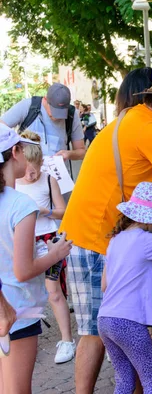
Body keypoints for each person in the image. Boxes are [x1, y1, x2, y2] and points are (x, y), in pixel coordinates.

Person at [59, 73, 152, 393]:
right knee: (95, 332)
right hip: (95, 239)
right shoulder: (149, 128)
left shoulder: (138, 118)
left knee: (110, 339)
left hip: (100, 237)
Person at [0, 124, 72, 392]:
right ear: (15, 152)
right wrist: (56, 252)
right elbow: (23, 271)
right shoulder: (21, 205)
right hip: (18, 307)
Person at [14, 130, 75, 364]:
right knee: (26, 289)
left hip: (50, 239)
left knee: (53, 291)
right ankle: (25, 338)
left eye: (36, 168)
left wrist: (44, 211)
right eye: (28, 169)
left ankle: (67, 340)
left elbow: (63, 210)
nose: (32, 174)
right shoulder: (12, 184)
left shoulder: (49, 179)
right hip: (25, 240)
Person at [98, 182, 152, 394]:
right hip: (130, 323)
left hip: (105, 320)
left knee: (124, 381)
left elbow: (104, 285)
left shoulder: (116, 240)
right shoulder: (149, 241)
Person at [0, 83, 86, 164]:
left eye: (62, 112)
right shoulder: (28, 106)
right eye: (54, 111)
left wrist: (69, 154)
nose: (58, 117)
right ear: (45, 99)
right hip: (27, 176)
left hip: (56, 176)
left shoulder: (72, 114)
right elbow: (2, 128)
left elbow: (82, 152)